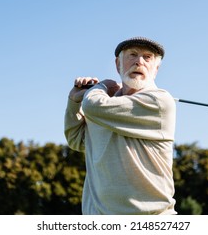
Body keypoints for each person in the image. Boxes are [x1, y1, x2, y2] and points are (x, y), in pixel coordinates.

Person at [64, 37, 176, 215]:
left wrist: (100, 86)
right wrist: (73, 102)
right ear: (118, 64)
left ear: (156, 69)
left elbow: (93, 105)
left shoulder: (159, 101)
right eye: (132, 55)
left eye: (148, 57)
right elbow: (76, 139)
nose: (139, 61)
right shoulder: (103, 104)